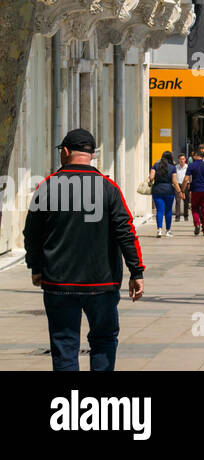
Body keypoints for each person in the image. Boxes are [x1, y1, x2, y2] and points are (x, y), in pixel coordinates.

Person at [23, 129, 145, 371]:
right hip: (102, 282)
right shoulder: (108, 187)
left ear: (65, 153)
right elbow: (125, 231)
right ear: (92, 155)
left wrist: (36, 267)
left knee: (64, 345)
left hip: (59, 282)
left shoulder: (47, 187)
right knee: (104, 340)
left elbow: (32, 234)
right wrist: (136, 271)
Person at [149, 150, 177, 238]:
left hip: (157, 190)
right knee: (168, 211)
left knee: (159, 211)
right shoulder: (173, 167)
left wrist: (152, 180)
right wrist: (180, 191)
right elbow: (174, 181)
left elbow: (151, 177)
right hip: (169, 190)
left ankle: (159, 230)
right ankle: (168, 231)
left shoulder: (156, 165)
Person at [174, 153, 189, 222]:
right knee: (177, 201)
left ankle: (186, 215)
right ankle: (177, 216)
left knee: (186, 201)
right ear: (178, 160)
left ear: (185, 160)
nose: (182, 161)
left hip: (186, 185)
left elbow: (190, 177)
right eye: (180, 159)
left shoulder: (188, 167)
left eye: (183, 159)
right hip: (178, 185)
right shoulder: (176, 167)